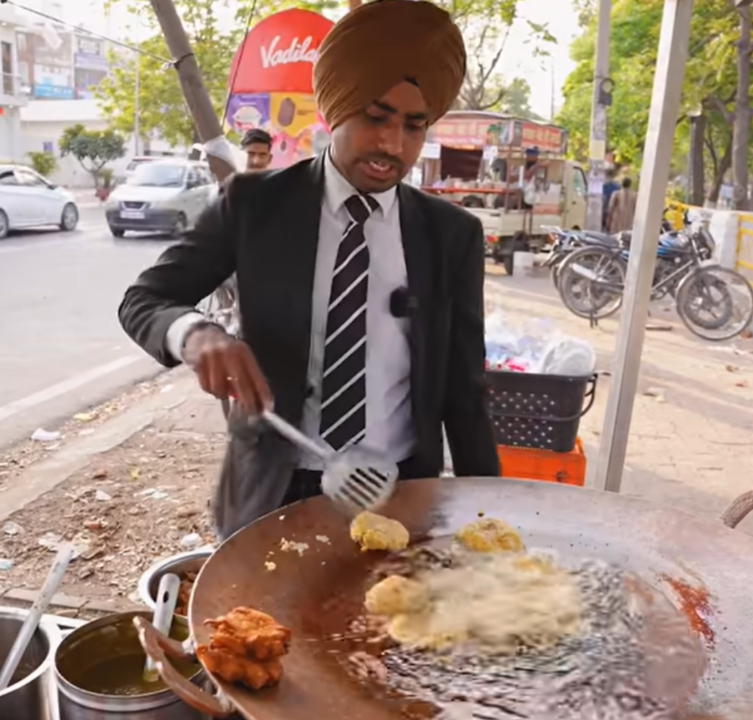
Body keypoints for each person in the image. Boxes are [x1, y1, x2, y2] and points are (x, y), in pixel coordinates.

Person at [118, 0, 500, 537]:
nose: (392, 144)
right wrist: (195, 334)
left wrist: (491, 514)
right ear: (335, 109)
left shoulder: (451, 235)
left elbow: (464, 391)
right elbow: (145, 301)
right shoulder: (252, 205)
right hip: (270, 491)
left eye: (414, 126)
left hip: (400, 495)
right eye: (375, 116)